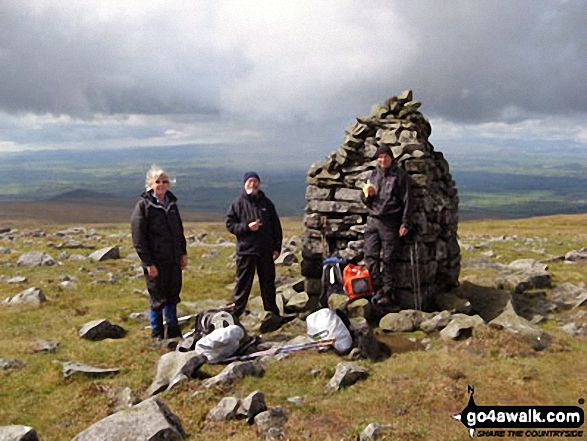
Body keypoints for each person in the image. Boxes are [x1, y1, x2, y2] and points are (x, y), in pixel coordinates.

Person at [131, 165, 188, 339]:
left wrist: (183, 253)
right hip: (155, 261)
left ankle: (173, 329)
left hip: (173, 259)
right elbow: (139, 238)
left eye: (164, 181)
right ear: (150, 184)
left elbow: (178, 231)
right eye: (158, 182)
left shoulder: (172, 204)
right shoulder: (144, 207)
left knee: (172, 294)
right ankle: (157, 333)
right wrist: (148, 263)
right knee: (157, 297)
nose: (161, 185)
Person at [226, 172, 282, 319]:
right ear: (245, 184)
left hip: (265, 250)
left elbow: (276, 226)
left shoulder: (267, 203)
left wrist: (277, 247)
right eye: (250, 181)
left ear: (259, 184)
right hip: (246, 250)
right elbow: (230, 225)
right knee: (243, 283)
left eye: (255, 181)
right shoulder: (237, 204)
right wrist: (246, 227)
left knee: (268, 282)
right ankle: (236, 313)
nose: (253, 184)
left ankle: (272, 313)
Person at [361, 145, 413, 306]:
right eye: (380, 157)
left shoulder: (400, 176)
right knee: (370, 256)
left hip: (391, 222)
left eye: (385, 157)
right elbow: (364, 198)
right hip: (373, 220)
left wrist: (405, 223)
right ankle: (376, 290)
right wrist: (367, 196)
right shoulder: (373, 175)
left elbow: (408, 201)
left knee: (389, 258)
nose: (382, 160)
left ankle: (388, 293)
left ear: (391, 158)